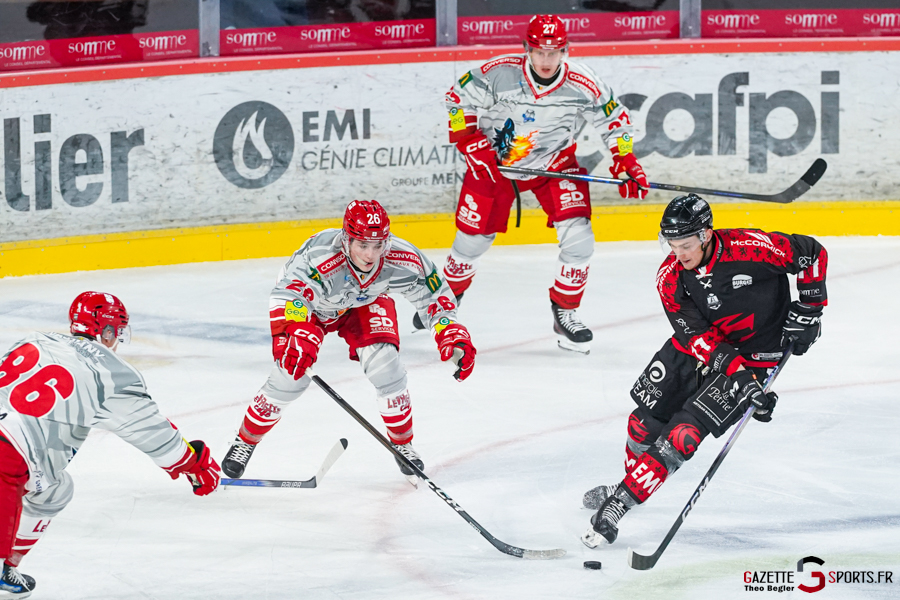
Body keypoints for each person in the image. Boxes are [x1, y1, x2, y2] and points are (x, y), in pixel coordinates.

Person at [581, 194, 828, 548]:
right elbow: (698, 338)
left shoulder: (750, 248)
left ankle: (618, 505)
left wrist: (810, 308)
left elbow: (811, 253)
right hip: (697, 349)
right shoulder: (670, 277)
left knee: (682, 436)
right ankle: (629, 484)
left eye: (685, 245)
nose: (678, 254)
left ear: (706, 235)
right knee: (642, 425)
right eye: (671, 245)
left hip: (756, 354)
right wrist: (739, 378)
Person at [412, 14, 649, 354]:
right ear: (527, 49)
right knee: (470, 244)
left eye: (554, 52)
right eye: (539, 52)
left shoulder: (583, 82)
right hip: (495, 167)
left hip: (554, 166)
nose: (546, 60)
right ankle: (446, 297)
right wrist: (469, 139)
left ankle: (565, 311)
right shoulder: (499, 72)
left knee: (580, 239)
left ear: (565, 51)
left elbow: (615, 119)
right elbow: (456, 99)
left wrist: (625, 160)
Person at [221, 200, 476, 482]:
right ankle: (245, 440)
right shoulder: (320, 257)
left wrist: (450, 333)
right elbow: (291, 296)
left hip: (363, 303)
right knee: (291, 376)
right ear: (346, 239)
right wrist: (295, 331)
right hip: (312, 309)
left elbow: (435, 296)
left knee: (386, 367)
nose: (371, 254)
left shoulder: (402, 258)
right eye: (363, 245)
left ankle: (403, 444)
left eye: (378, 245)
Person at [0, 291, 221, 598]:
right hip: (8, 458)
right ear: (106, 331)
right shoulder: (112, 373)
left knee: (56, 489)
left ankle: (8, 569)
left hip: (16, 452)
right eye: (116, 331)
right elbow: (159, 439)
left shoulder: (34, 340)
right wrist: (195, 464)